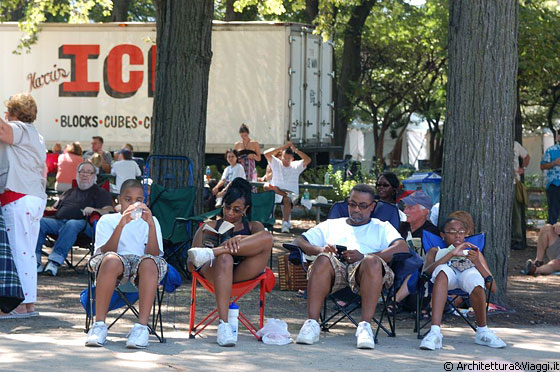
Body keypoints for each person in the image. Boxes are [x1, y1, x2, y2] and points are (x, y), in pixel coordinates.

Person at [293, 184, 408, 349]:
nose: (356, 209)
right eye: (352, 204)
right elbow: (299, 241)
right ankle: (311, 324)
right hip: (334, 273)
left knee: (372, 261)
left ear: (372, 206)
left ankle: (365, 327)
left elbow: (402, 247)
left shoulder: (381, 227)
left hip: (367, 275)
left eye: (362, 206)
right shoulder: (332, 225)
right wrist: (320, 249)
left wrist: (366, 256)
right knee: (323, 259)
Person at [187, 178, 273, 347]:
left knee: (267, 237)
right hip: (216, 273)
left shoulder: (254, 227)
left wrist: (239, 240)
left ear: (246, 209)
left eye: (237, 209)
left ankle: (217, 251)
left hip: (243, 274)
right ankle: (224, 325)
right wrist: (218, 254)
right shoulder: (209, 226)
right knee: (225, 258)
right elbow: (191, 264)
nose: (231, 213)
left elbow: (266, 242)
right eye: (227, 207)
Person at [85, 179, 167, 349]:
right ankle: (99, 325)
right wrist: (121, 224)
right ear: (119, 200)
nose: (133, 204)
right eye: (128, 199)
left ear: (144, 201)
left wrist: (150, 225)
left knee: (150, 263)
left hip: (143, 265)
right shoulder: (107, 220)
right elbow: (106, 251)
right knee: (110, 260)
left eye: (139, 200)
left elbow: (153, 254)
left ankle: (141, 328)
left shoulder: (153, 221)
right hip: (115, 263)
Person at [419, 217, 506, 350]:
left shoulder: (474, 253)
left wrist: (477, 262)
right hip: (447, 279)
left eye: (461, 231)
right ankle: (435, 333)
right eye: (452, 231)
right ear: (442, 235)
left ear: (466, 234)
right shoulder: (435, 251)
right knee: (442, 271)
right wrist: (452, 253)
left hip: (466, 277)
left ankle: (482, 332)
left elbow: (492, 287)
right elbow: (425, 273)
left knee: (475, 278)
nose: (457, 235)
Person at [0, 93, 47, 318]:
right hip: (33, 195)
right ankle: (27, 304)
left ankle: (18, 305)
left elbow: (4, 131)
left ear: (15, 112)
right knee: (26, 252)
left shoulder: (18, 128)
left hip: (18, 195)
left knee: (19, 251)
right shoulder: (35, 134)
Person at [35, 161, 114, 276]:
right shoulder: (70, 191)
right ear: (77, 174)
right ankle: (35, 261)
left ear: (94, 176)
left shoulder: (101, 193)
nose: (85, 174)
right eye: (82, 171)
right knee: (40, 222)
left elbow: (109, 210)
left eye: (89, 172)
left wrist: (95, 210)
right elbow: (55, 208)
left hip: (85, 227)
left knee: (72, 224)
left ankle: (54, 262)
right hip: (60, 222)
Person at [393, 191, 439, 312]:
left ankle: (395, 301)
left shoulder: (431, 233)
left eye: (410, 208)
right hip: (398, 269)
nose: (405, 211)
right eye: (405, 207)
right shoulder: (403, 227)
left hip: (419, 277)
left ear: (425, 211)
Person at [264, 142, 311, 233]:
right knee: (268, 190)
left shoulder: (296, 165)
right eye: (284, 158)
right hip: (276, 192)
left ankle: (285, 223)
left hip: (291, 195)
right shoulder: (276, 163)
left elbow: (308, 160)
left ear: (292, 159)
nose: (286, 160)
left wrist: (296, 150)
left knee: (287, 199)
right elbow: (266, 153)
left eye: (288, 159)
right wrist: (282, 147)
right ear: (281, 156)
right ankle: (268, 222)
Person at [512, 141, 530, 250]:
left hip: (514, 182)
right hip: (499, 184)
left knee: (516, 212)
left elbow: (527, 156)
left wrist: (523, 169)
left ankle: (517, 239)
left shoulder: (515, 144)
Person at [541, 132, 560, 225]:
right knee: (553, 214)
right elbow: (542, 166)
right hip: (554, 186)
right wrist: (554, 163)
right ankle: (552, 238)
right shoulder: (551, 150)